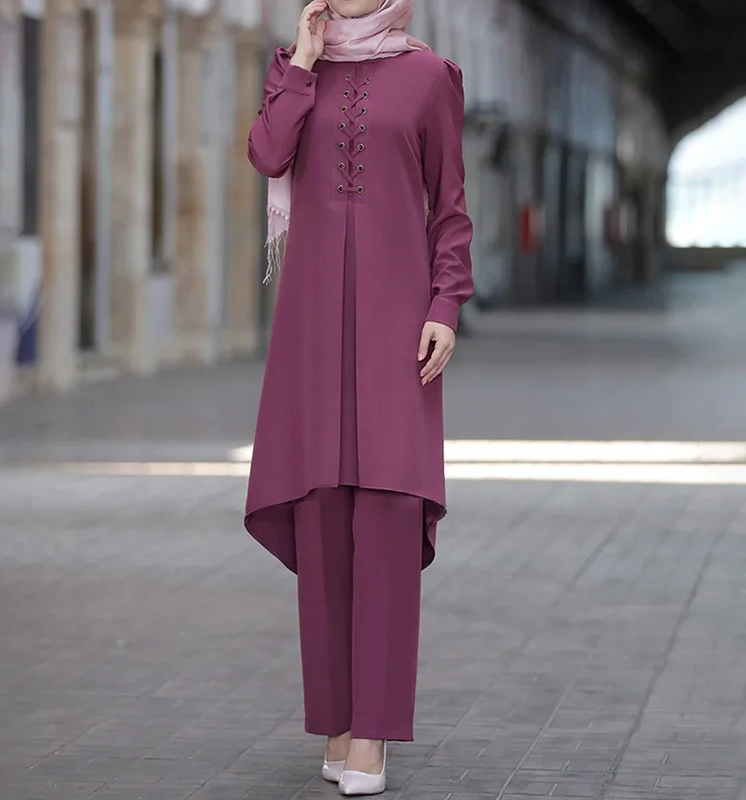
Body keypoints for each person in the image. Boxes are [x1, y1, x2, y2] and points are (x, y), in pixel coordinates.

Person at [244, 0, 473, 794]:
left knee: (388, 513)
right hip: (311, 329)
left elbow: (450, 207)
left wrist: (445, 305)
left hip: (396, 328)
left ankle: (373, 731)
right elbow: (267, 153)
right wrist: (304, 63)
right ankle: (338, 722)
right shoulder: (293, 70)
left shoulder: (430, 77)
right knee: (322, 517)